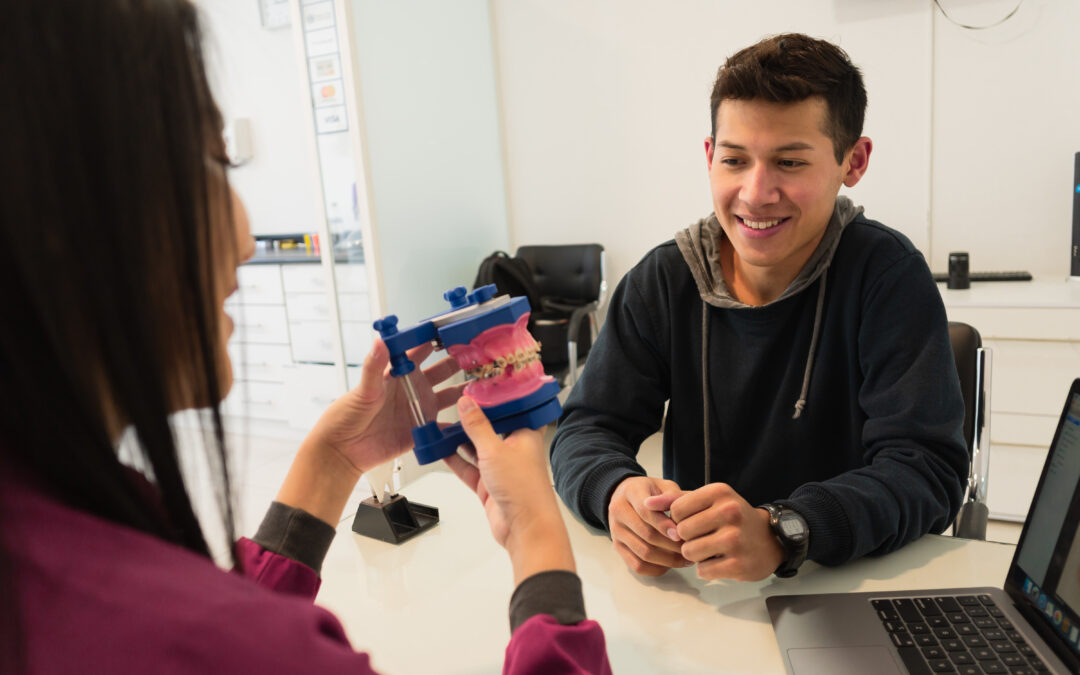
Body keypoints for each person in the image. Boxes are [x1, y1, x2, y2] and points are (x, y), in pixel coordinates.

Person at [0, 2, 610, 673]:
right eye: (216, 160)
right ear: (63, 212)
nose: (243, 238)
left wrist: (331, 458)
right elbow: (223, 641)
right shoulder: (221, 643)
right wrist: (539, 537)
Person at [550, 33, 969, 583]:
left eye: (790, 162)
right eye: (734, 160)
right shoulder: (664, 280)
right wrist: (614, 491)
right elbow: (587, 426)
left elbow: (926, 469)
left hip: (843, 585)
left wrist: (787, 529)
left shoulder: (886, 276)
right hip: (702, 595)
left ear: (854, 161)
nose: (754, 192)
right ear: (709, 156)